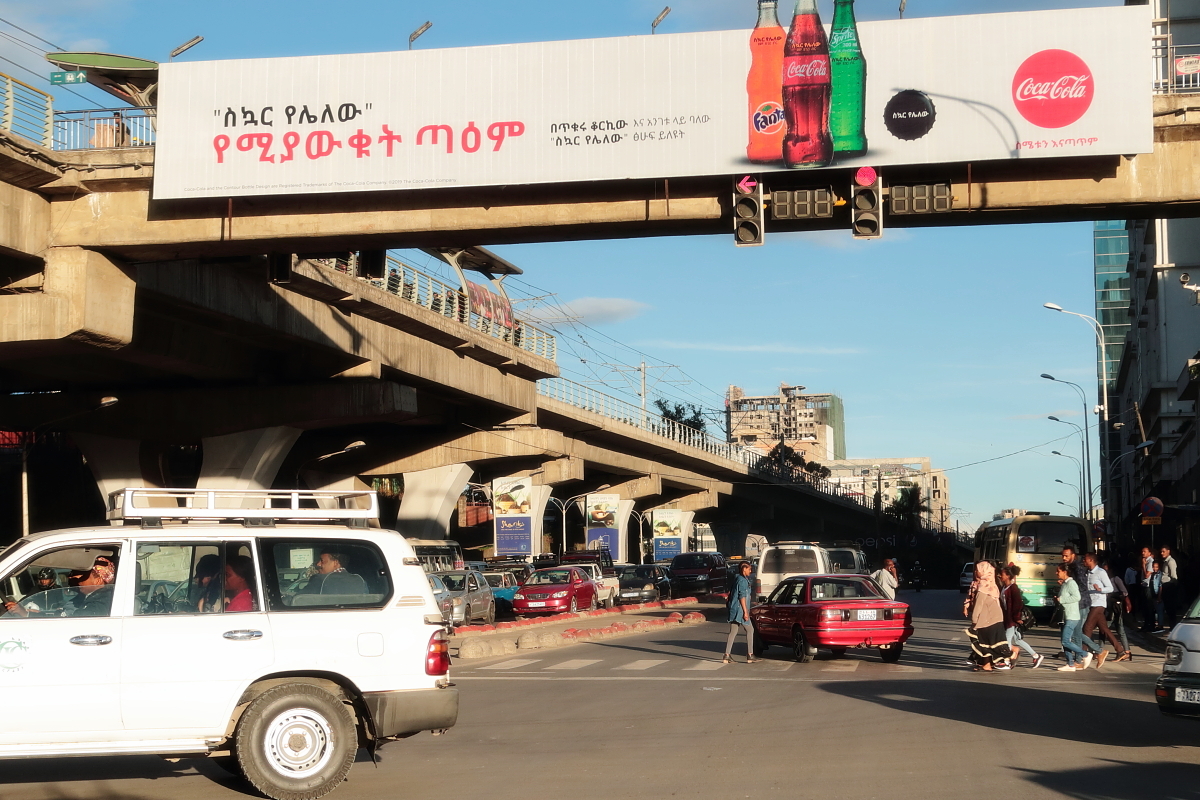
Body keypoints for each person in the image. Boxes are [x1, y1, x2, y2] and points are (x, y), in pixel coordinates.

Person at [1080, 552, 1127, 665]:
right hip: (1091, 603)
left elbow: (1110, 588)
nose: (1083, 561)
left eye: (1085, 559)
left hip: (1099, 603)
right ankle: (1120, 651)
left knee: (1087, 627)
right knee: (1104, 629)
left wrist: (1100, 589)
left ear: (1091, 560)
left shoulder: (1101, 572)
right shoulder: (1088, 573)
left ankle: (1084, 654)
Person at [964, 561, 1011, 672]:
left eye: (978, 570)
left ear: (984, 571)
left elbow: (978, 606)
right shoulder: (988, 583)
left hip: (989, 620)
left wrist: (974, 621)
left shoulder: (984, 586)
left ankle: (1012, 654)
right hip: (992, 619)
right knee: (986, 643)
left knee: (984, 641)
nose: (976, 572)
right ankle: (986, 664)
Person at [1056, 563, 1101, 671]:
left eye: (1058, 571)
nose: (1056, 573)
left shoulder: (1071, 583)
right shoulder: (1065, 584)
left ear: (1065, 572)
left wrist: (1062, 600)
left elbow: (1077, 597)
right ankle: (1070, 664)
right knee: (1065, 641)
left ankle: (1085, 654)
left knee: (1066, 641)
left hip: (1072, 616)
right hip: (1066, 615)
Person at [1000, 565, 1043, 668]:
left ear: (1008, 576)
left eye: (1002, 574)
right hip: (1007, 618)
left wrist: (1016, 617)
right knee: (1017, 640)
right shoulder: (1004, 587)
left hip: (1012, 619)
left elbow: (1018, 604)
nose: (1000, 576)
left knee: (1006, 640)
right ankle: (1036, 656)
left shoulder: (1013, 588)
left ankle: (1007, 661)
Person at [723, 561, 758, 664]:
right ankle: (750, 655)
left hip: (734, 609)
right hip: (740, 610)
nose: (750, 571)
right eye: (749, 569)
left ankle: (727, 655)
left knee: (733, 631)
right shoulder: (742, 581)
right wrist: (745, 612)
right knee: (750, 630)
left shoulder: (737, 579)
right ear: (744, 569)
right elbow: (741, 596)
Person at [1103, 560, 1134, 662]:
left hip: (1116, 607)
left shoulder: (1116, 579)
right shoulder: (1105, 579)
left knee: (1106, 628)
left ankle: (1098, 651)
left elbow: (1124, 592)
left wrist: (1113, 595)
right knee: (1117, 629)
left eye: (1106, 568)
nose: (1105, 570)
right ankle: (1127, 651)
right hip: (1109, 606)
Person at [1161, 545, 1180, 628]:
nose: (1162, 553)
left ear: (1168, 551)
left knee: (1171, 607)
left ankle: (1173, 625)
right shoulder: (1165, 561)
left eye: (1163, 551)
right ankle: (1171, 624)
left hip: (1169, 585)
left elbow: (1173, 575)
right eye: (1161, 552)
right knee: (1167, 607)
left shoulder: (1171, 561)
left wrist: (1173, 586)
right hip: (1165, 586)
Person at [1140, 546, 1157, 632]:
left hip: (1148, 586)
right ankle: (1146, 624)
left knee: (1149, 606)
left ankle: (1151, 625)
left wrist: (1143, 565)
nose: (1143, 553)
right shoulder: (1146, 560)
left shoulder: (1150, 561)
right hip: (1144, 585)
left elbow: (1147, 575)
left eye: (1145, 551)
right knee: (1145, 606)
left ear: (1149, 553)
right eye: (1142, 551)